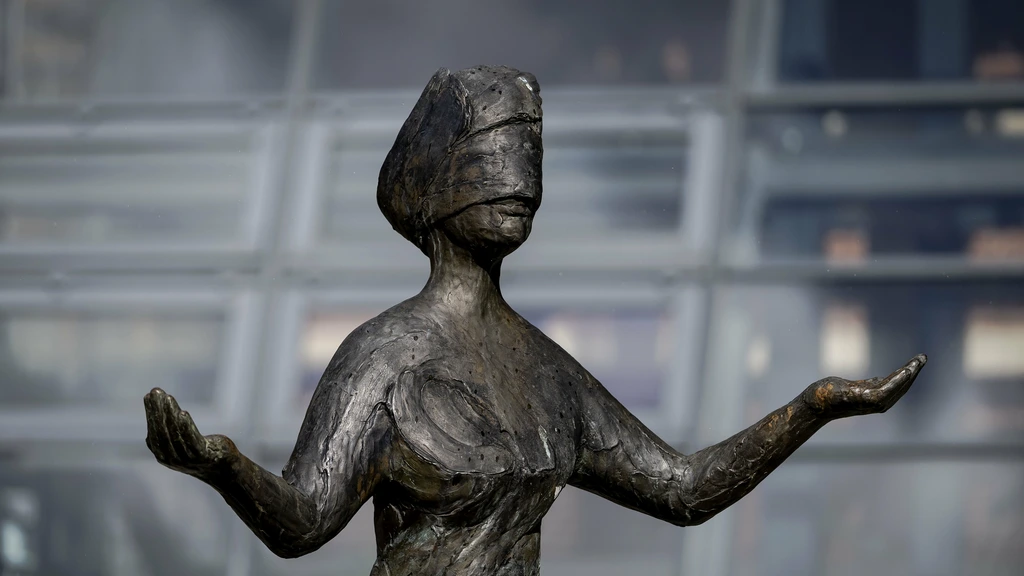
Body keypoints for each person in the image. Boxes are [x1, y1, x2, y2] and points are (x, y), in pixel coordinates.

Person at [143, 66, 926, 576]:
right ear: (435, 185)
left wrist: (811, 407)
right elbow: (304, 521)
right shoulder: (381, 359)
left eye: (527, 167)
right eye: (492, 165)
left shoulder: (546, 370)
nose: (518, 187)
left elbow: (682, 490)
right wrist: (222, 466)